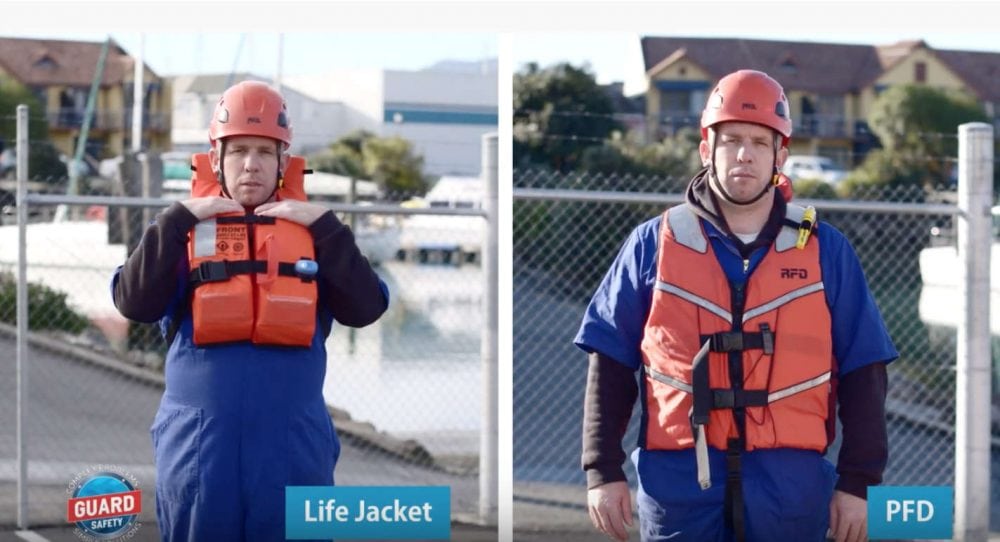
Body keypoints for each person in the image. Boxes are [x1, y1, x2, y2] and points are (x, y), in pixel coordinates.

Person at [576, 70, 897, 542]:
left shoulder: (827, 251)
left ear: (780, 156)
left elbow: (864, 370)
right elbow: (610, 360)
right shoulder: (652, 244)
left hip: (791, 488)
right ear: (707, 150)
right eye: (730, 141)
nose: (744, 154)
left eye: (759, 142)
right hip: (679, 485)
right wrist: (602, 471)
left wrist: (859, 483)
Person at [112, 81, 389, 541]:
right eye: (239, 150)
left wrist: (327, 229)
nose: (251, 164)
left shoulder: (317, 235)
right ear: (216, 157)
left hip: (293, 445)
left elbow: (366, 309)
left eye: (265, 151)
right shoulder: (181, 233)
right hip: (199, 448)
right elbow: (133, 303)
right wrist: (175, 219)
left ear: (284, 160)